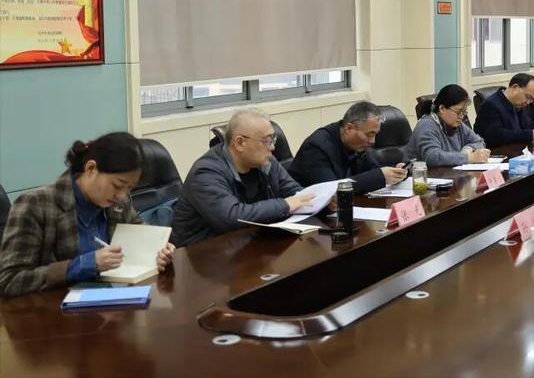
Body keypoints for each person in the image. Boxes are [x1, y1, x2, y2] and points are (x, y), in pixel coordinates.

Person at [0, 132, 175, 298]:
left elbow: (141, 233)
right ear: (90, 168)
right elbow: (9, 280)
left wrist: (159, 250)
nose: (121, 196)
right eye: (117, 185)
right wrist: (85, 265)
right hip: (54, 312)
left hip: (114, 305)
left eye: (129, 188)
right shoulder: (36, 205)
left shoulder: (118, 204)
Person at [172, 109, 315, 246]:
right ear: (240, 143)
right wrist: (285, 205)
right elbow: (232, 217)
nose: (272, 147)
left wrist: (319, 200)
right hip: (202, 254)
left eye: (273, 139)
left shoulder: (266, 162)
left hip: (248, 244)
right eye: (266, 141)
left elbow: (296, 194)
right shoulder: (205, 173)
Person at [288, 101, 407, 194]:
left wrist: (393, 173)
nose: (372, 141)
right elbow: (331, 190)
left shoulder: (358, 144)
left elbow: (373, 170)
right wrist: (380, 176)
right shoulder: (316, 147)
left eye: (375, 134)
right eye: (369, 134)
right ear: (349, 129)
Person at [410, 84, 491, 167]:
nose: (461, 116)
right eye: (458, 112)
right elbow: (433, 157)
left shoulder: (458, 125)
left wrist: (469, 148)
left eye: (464, 112)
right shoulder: (426, 126)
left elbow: (479, 141)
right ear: (442, 109)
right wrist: (468, 158)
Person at [473, 73, 534, 148]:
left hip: (516, 150)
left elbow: (528, 124)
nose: (528, 102)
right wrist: (530, 134)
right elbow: (496, 136)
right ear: (515, 87)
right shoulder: (491, 105)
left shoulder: (518, 104)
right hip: (496, 152)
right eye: (527, 97)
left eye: (531, 99)